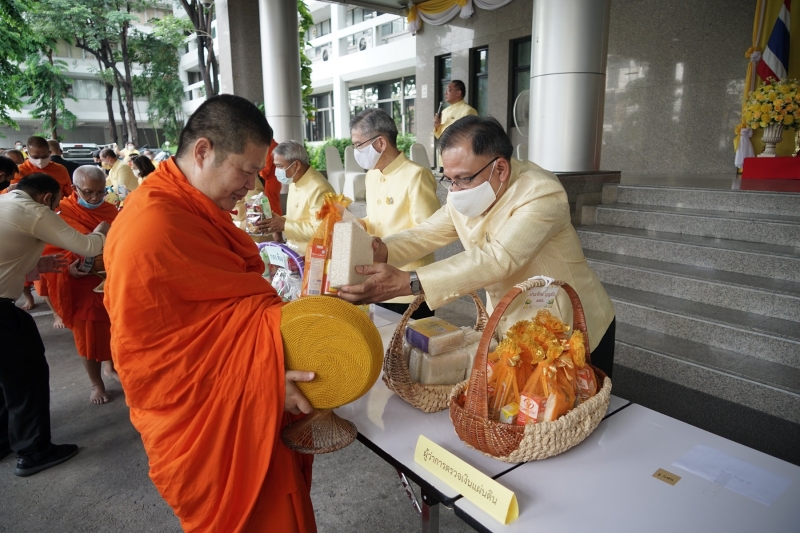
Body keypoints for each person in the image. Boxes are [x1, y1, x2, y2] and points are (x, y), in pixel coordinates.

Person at [103, 94, 317, 532]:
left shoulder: (190, 208)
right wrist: (261, 372)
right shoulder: (153, 225)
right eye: (246, 171)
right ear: (203, 151)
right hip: (208, 420)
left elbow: (231, 309)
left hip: (245, 405)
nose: (252, 187)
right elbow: (157, 362)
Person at [339, 116, 617, 378]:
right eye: (448, 178)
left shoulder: (541, 192)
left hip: (569, 325)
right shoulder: (467, 189)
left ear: (500, 168)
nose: (455, 190)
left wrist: (410, 282)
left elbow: (497, 258)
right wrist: (383, 248)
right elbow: (427, 232)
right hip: (510, 322)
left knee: (574, 413)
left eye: (463, 178)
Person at [0, 173, 109, 476]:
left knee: (5, 379)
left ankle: (4, 439)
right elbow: (89, 247)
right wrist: (103, 229)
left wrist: (34, 265)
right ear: (48, 198)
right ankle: (33, 451)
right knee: (26, 377)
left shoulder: (5, 202)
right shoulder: (33, 211)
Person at [39, 166, 120, 404]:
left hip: (112, 281)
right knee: (88, 338)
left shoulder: (111, 210)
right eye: (87, 192)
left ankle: (110, 366)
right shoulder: (61, 213)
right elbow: (49, 250)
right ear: (74, 189)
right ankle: (96, 383)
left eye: (99, 192)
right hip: (82, 285)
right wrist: (68, 267)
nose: (95, 198)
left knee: (115, 330)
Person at [350, 108, 440, 319]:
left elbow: (429, 233)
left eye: (358, 144)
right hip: (378, 279)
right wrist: (355, 223)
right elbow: (376, 220)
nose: (355, 151)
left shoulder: (416, 175)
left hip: (408, 286)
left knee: (412, 349)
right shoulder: (372, 175)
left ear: (380, 143)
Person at [257, 141, 334, 255]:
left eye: (279, 166)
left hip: (315, 256)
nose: (276, 171)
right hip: (295, 251)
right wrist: (277, 221)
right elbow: (301, 217)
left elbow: (322, 231)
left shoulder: (318, 187)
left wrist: (284, 225)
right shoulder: (295, 180)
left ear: (296, 165)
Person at [4, 137, 72, 199]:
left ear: (50, 153)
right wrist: (8, 190)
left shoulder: (60, 170)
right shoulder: (18, 171)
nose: (40, 160)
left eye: (44, 157)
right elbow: (4, 197)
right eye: (35, 157)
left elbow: (70, 195)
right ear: (28, 154)